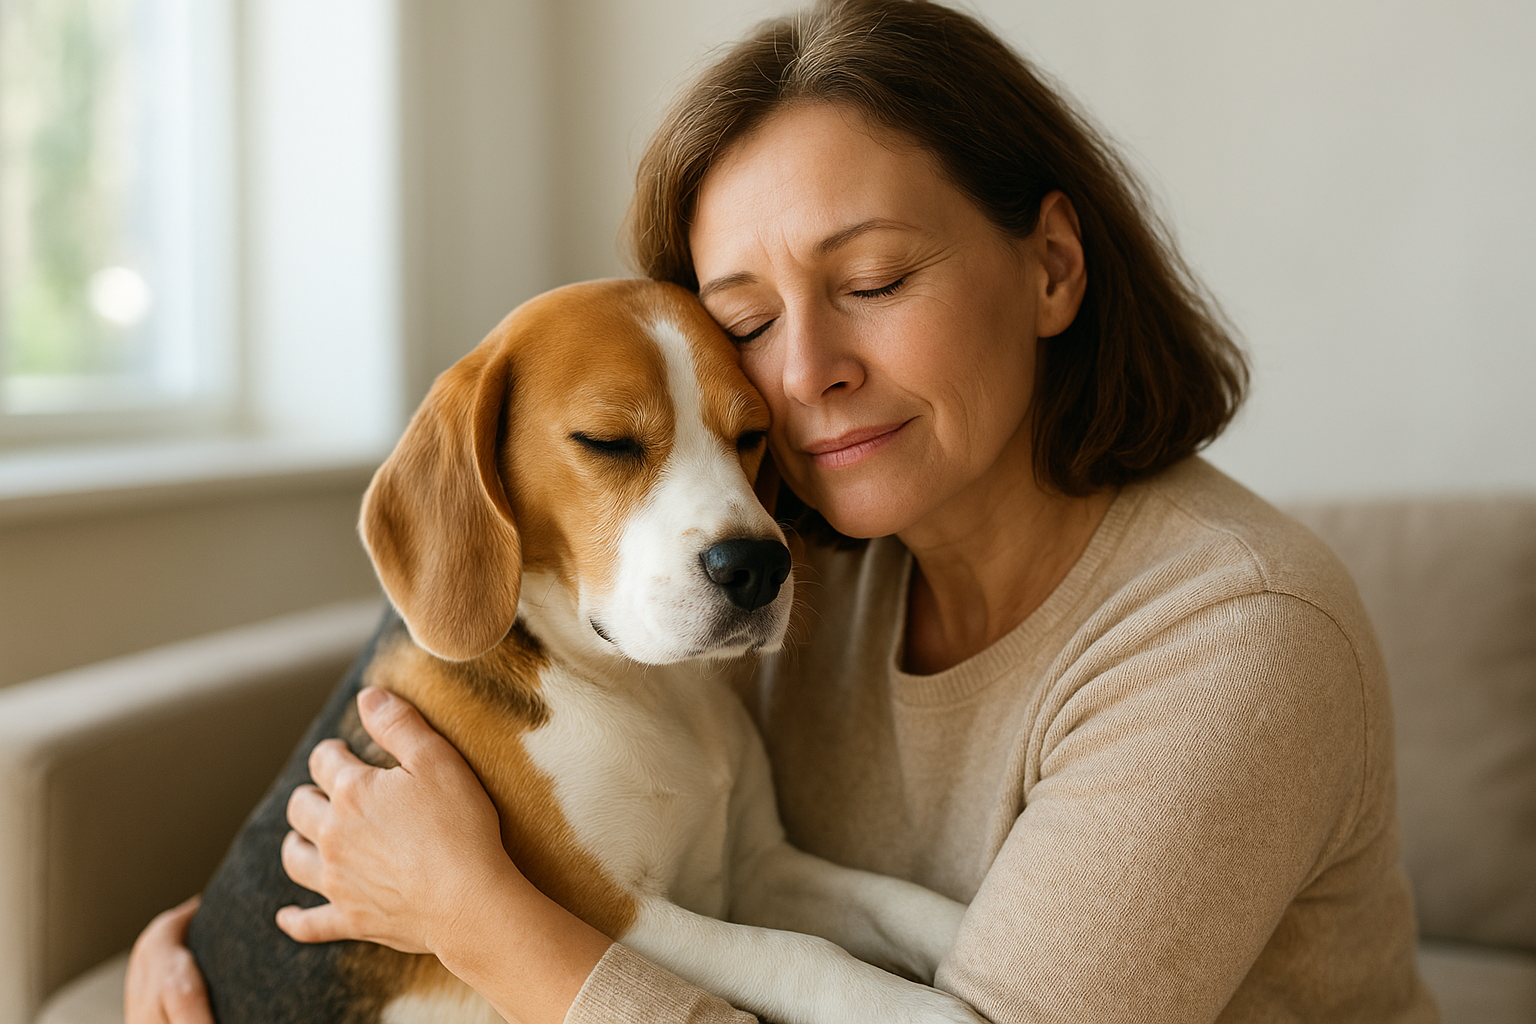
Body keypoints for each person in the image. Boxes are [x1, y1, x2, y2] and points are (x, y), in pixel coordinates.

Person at [127, 1, 1438, 1021]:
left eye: (874, 281)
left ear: (1051, 267)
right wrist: (210, 946)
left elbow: (554, 896)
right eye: (746, 321)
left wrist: (478, 917)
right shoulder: (798, 554)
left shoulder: (1234, 640)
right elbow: (555, 807)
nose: (804, 375)